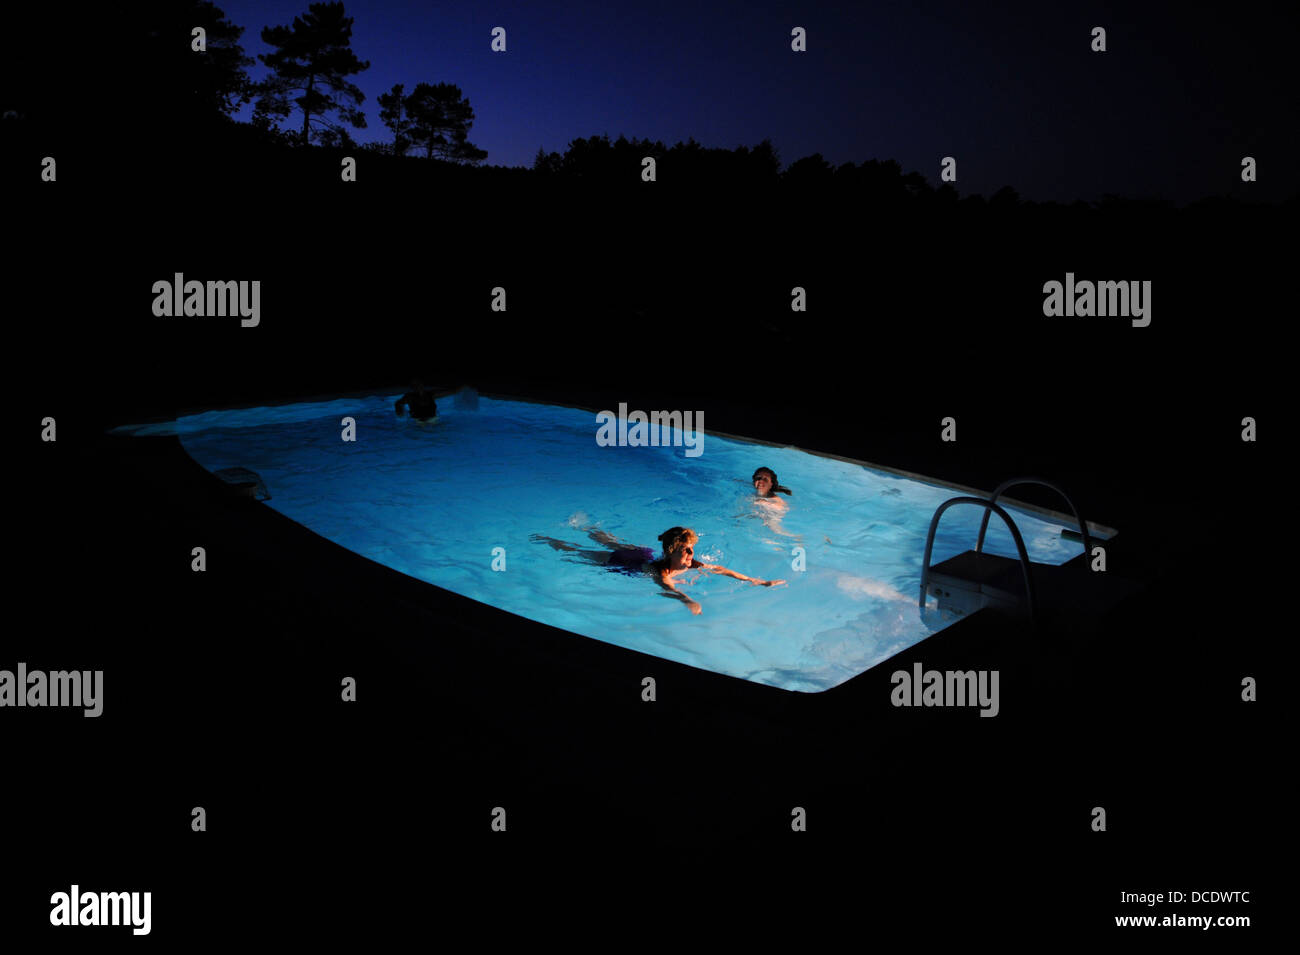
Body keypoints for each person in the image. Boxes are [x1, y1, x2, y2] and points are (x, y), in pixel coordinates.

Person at [530, 524, 785, 615]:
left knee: (614, 541)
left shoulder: (690, 562)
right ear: (671, 552)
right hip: (624, 563)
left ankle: (585, 527)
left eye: (691, 548)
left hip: (644, 553)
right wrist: (687, 600)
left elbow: (721, 569)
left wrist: (757, 581)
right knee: (581, 553)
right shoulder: (660, 572)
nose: (691, 553)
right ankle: (549, 539)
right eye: (685, 549)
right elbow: (666, 588)